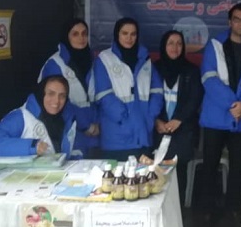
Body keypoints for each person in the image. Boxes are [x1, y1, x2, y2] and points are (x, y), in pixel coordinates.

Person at [199, 2, 241, 219]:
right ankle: (207, 210)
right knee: (210, 165)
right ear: (229, 21)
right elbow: (209, 78)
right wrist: (233, 104)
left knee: (237, 167)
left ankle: (233, 209)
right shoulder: (215, 45)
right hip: (216, 116)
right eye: (237, 19)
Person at [93, 17, 164, 161]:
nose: (129, 38)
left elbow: (157, 90)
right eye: (125, 33)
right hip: (117, 135)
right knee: (116, 175)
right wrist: (123, 119)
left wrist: (150, 115)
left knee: (142, 174)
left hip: (143, 133)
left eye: (133, 34)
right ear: (117, 34)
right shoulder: (105, 59)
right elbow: (104, 95)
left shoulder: (145, 59)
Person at [153, 30, 203, 200]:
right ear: (163, 46)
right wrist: (157, 120)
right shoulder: (153, 69)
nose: (175, 47)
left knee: (179, 172)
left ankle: (179, 209)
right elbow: (147, 98)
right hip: (158, 129)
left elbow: (195, 99)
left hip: (183, 130)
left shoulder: (191, 70)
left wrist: (179, 119)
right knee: (156, 174)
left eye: (179, 43)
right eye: (171, 43)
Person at [38, 19, 99, 156]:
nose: (81, 38)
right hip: (69, 132)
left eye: (84, 33)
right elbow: (57, 103)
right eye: (75, 34)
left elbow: (97, 98)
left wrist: (97, 124)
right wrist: (86, 125)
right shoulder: (55, 64)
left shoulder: (92, 61)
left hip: (95, 134)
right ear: (66, 36)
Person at [0, 75, 79, 158]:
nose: (56, 101)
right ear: (41, 94)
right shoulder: (22, 117)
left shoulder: (67, 119)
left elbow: (75, 150)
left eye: (62, 96)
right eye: (51, 94)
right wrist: (31, 146)